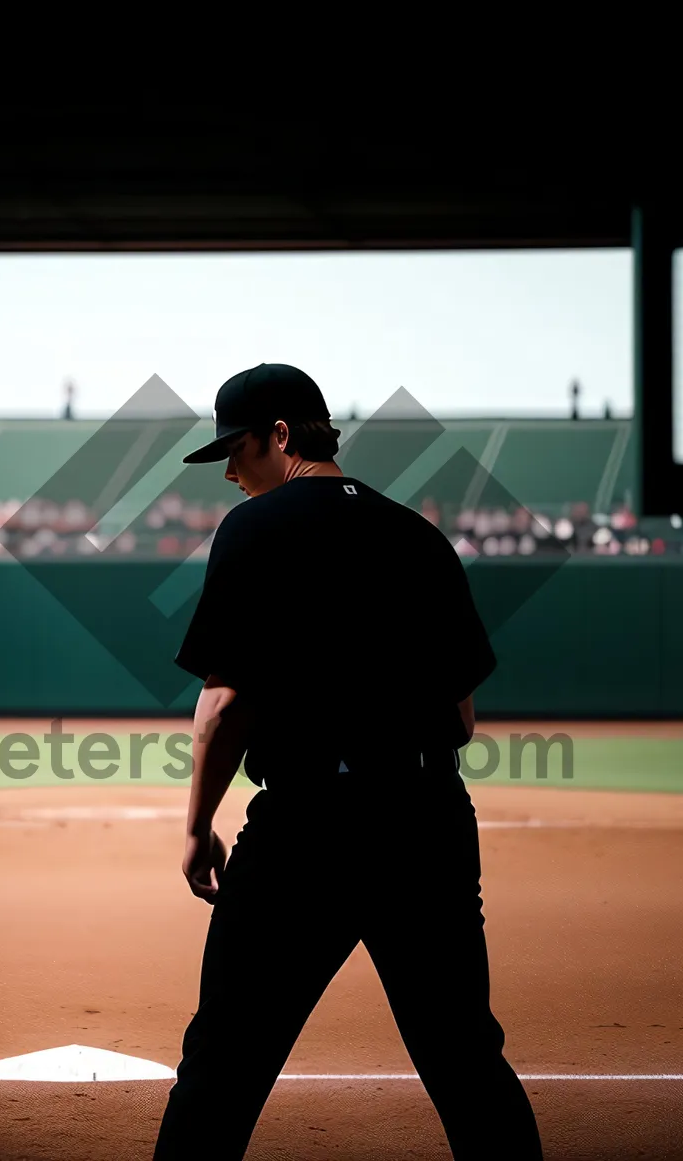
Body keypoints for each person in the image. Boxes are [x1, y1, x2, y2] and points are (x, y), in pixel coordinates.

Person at [153, 363, 542, 1160]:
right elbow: (463, 721)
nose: (228, 471)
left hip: (306, 833)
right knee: (466, 1059)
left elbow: (224, 706)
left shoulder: (254, 530)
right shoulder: (420, 535)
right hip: (427, 822)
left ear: (283, 436)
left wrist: (198, 826)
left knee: (224, 1060)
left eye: (237, 448)